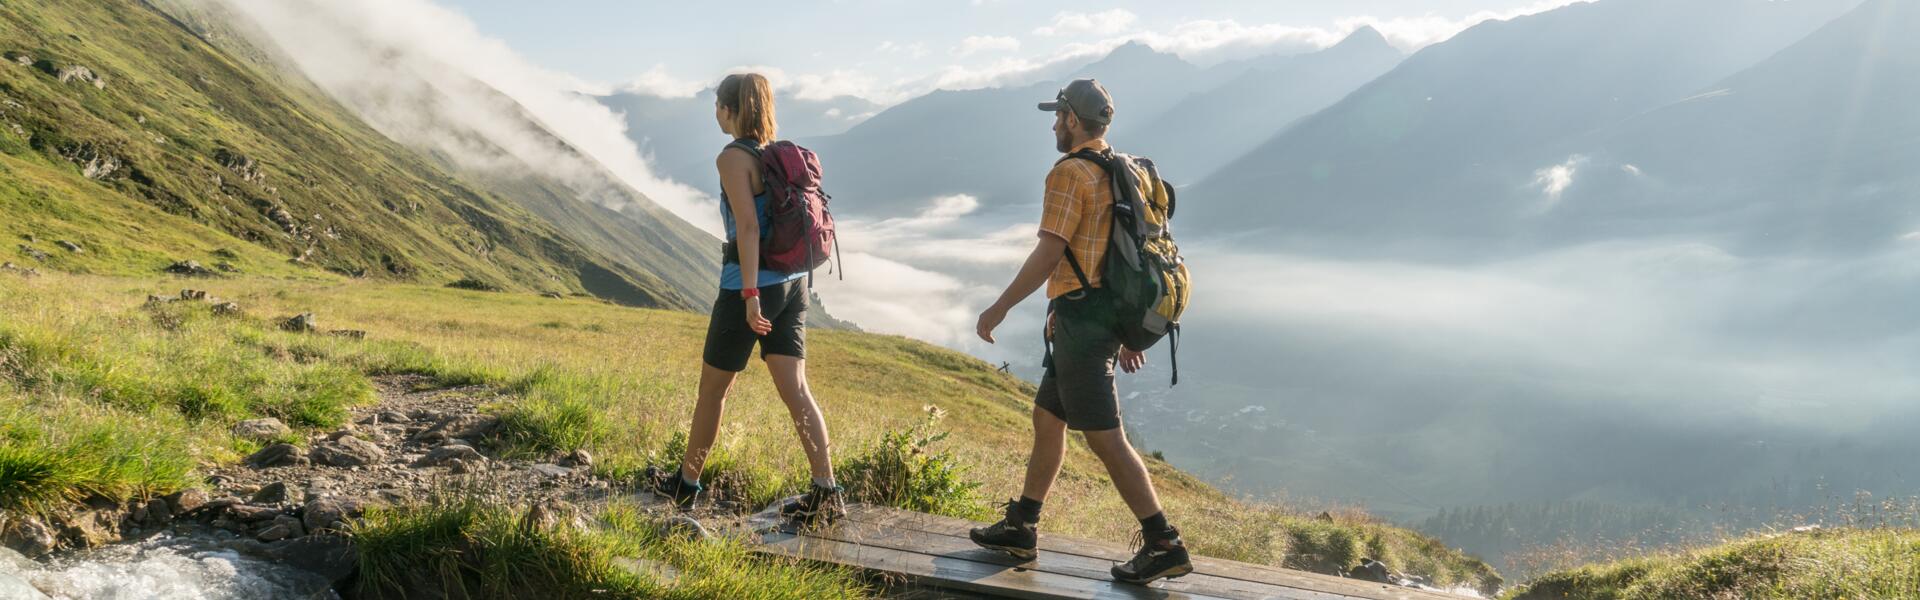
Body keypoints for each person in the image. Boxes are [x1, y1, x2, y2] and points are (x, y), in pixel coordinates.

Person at [970, 78, 1194, 585]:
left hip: (1083, 327)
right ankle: (1022, 524)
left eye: (1058, 116)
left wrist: (998, 309)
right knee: (1048, 418)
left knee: (1106, 438)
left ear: (1073, 119)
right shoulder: (1119, 167)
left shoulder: (1070, 173)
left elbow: (1050, 251)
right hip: (1090, 316)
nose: (1053, 123)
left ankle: (1163, 542)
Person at [647, 73, 842, 524]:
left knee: (713, 391)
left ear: (731, 109)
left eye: (718, 105)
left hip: (747, 287)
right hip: (794, 284)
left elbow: (748, 229)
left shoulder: (733, 158)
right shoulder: (772, 155)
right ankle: (826, 490)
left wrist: (751, 295)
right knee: (797, 391)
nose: (715, 112)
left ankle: (686, 486)